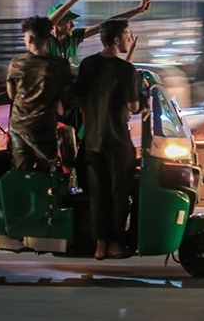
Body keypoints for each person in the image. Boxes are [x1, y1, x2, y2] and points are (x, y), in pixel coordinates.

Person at [73, 19, 142, 261]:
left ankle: (99, 246)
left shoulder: (88, 64)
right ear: (116, 39)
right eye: (127, 34)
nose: (130, 38)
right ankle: (114, 244)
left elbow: (79, 96)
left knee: (97, 195)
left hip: (91, 141)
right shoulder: (127, 71)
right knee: (119, 194)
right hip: (117, 143)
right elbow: (133, 106)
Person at [6, 16, 74, 172]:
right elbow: (66, 96)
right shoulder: (60, 64)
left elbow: (11, 94)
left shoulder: (17, 63)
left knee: (23, 171)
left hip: (20, 127)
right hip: (45, 127)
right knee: (48, 171)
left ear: (30, 38)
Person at [47, 0, 152, 66]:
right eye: (68, 21)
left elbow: (109, 23)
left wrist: (137, 10)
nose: (73, 26)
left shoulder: (73, 38)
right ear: (56, 24)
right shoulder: (45, 40)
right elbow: (47, 24)